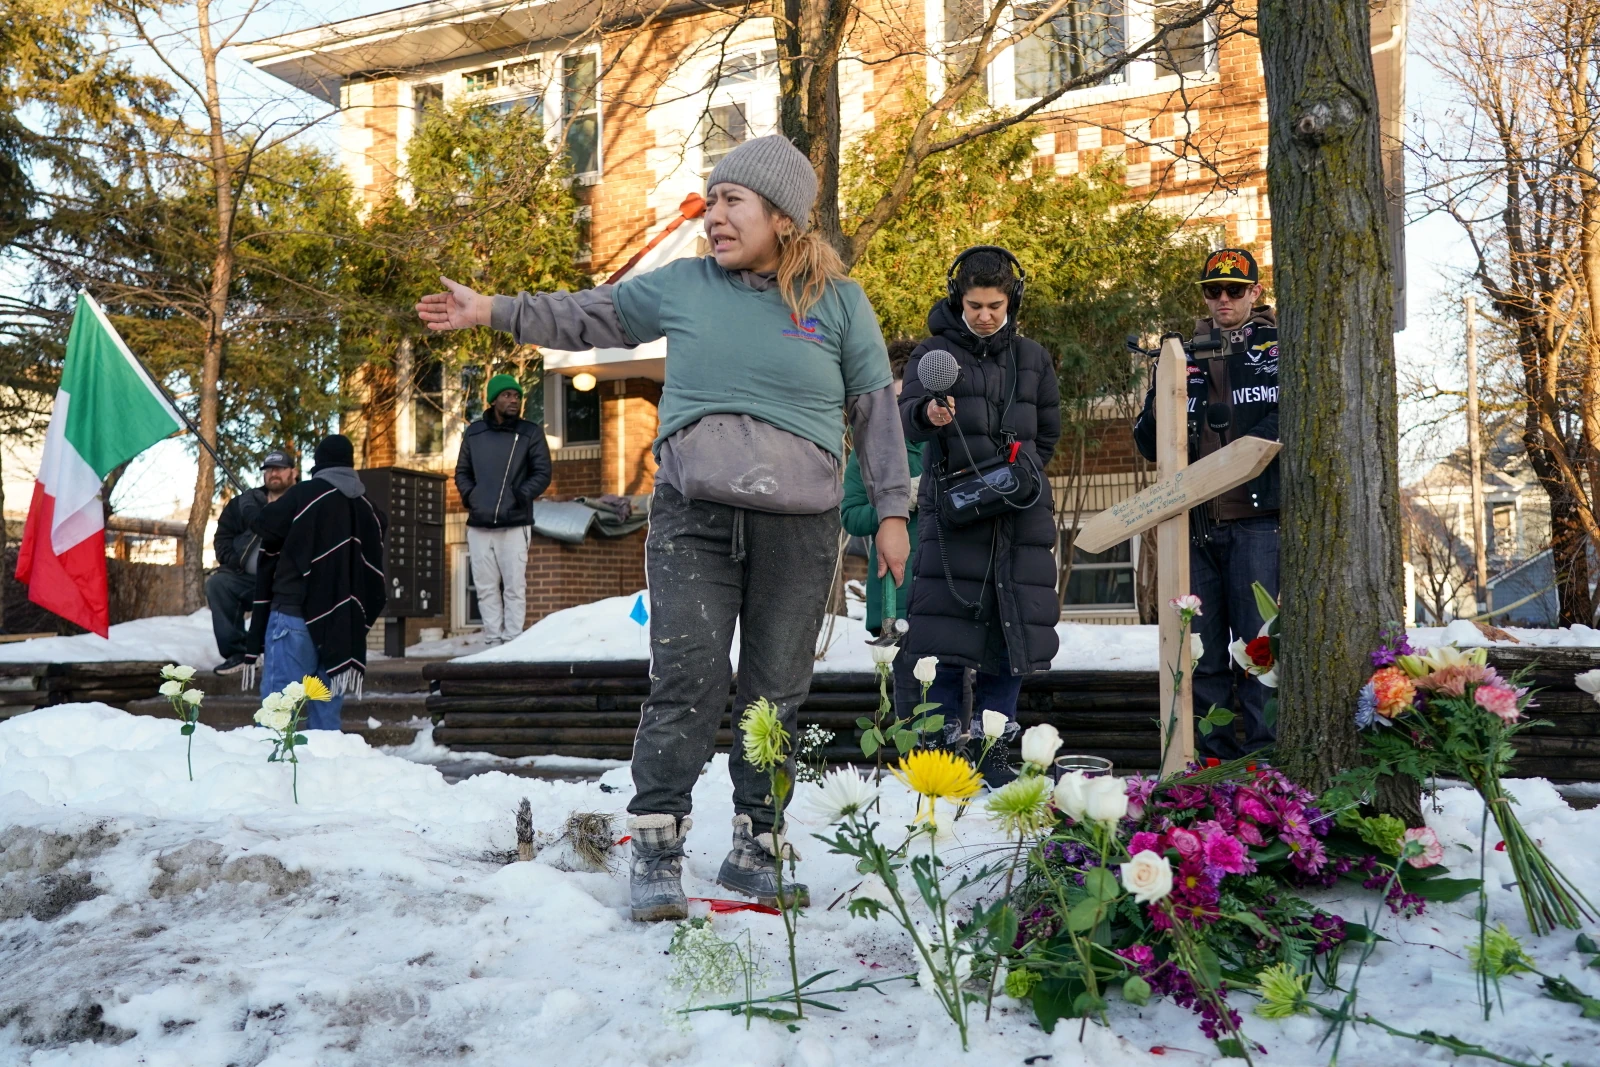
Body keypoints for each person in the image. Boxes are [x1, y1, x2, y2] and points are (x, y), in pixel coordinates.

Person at [416, 134, 911, 922]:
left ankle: (757, 842)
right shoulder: (685, 284)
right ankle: (656, 843)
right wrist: (492, 310)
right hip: (694, 519)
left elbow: (877, 410)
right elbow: (592, 314)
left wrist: (892, 511)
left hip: (801, 527)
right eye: (710, 200)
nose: (712, 216)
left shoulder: (839, 302)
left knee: (776, 691)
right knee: (688, 675)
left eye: (730, 201)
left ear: (782, 216)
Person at [899, 246, 1061, 787]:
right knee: (945, 635)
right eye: (974, 305)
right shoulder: (932, 353)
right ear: (957, 300)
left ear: (1011, 300)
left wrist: (1019, 477)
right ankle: (941, 754)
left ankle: (997, 750)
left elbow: (1050, 434)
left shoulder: (1034, 358)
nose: (986, 315)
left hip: (1019, 519)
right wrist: (928, 412)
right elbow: (907, 420)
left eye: (995, 304)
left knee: (1010, 632)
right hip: (954, 520)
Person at [1132, 247, 1280, 760]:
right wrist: (1161, 388)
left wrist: (1238, 457)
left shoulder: (1280, 347)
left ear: (1255, 293)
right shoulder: (1181, 354)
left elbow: (1287, 424)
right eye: (1212, 290)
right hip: (1194, 527)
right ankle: (1214, 758)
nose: (1223, 299)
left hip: (1259, 522)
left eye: (1235, 290)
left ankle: (1266, 760)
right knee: (1205, 653)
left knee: (1262, 651)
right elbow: (1148, 442)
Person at [245, 435, 388, 730]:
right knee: (326, 716)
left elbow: (264, 524)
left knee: (279, 709)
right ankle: (323, 773)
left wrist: (253, 507)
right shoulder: (369, 510)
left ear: (318, 463)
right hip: (341, 628)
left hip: (294, 616)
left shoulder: (304, 495)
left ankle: (274, 774)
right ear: (350, 463)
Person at [841, 339, 923, 715]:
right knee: (906, 695)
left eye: (909, 398)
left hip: (947, 587)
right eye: (893, 399)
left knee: (952, 690)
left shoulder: (948, 443)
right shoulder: (867, 452)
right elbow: (851, 514)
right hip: (895, 592)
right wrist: (894, 503)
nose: (899, 411)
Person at [454, 374, 551, 645]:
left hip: (515, 522)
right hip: (479, 524)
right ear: (493, 399)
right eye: (508, 395)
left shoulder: (530, 432)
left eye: (517, 396)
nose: (514, 400)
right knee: (485, 589)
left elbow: (542, 473)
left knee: (514, 588)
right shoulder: (474, 433)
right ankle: (492, 641)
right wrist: (472, 497)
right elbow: (462, 472)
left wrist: (520, 495)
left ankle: (512, 641)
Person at [207, 450, 297, 675]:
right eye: (268, 470)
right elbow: (223, 537)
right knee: (218, 584)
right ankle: (237, 653)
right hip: (249, 581)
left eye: (279, 469)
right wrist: (232, 560)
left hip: (289, 582)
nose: (273, 474)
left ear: (293, 472)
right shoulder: (245, 503)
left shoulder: (305, 501)